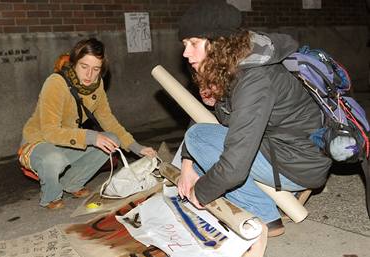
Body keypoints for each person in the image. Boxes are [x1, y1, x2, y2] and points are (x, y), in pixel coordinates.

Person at [175, 0, 331, 237]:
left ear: (219, 44)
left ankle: (265, 216)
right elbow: (210, 121)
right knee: (199, 148)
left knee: (199, 140)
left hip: (299, 163)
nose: (186, 53)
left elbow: (234, 166)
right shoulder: (233, 68)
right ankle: (260, 205)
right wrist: (187, 165)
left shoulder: (255, 79)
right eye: (185, 44)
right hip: (281, 149)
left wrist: (200, 194)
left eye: (194, 43)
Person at [18, 38, 156, 209]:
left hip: (65, 142)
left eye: (96, 69)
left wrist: (137, 147)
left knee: (112, 140)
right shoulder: (56, 83)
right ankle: (51, 195)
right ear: (74, 63)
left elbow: (109, 121)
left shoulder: (97, 86)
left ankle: (72, 183)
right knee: (54, 158)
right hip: (38, 143)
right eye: (84, 67)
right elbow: (50, 132)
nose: (89, 75)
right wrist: (91, 137)